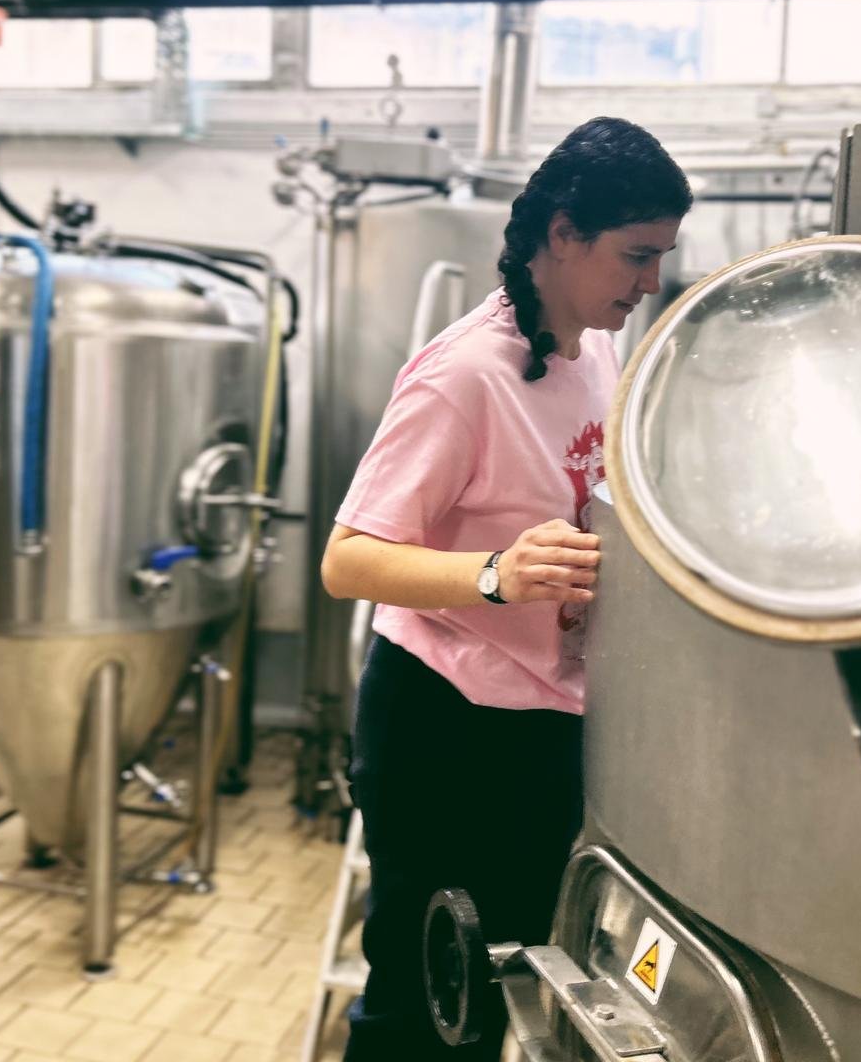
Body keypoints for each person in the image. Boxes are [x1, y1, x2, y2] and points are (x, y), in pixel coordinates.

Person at [321, 116, 694, 1060]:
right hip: (447, 729)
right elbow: (349, 559)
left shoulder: (591, 345)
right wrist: (497, 574)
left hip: (546, 719)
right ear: (563, 235)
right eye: (636, 255)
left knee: (507, 989)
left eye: (660, 256)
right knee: (424, 1003)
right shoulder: (464, 377)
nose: (651, 281)